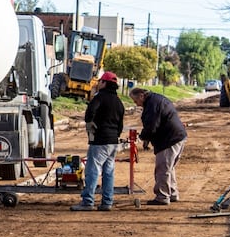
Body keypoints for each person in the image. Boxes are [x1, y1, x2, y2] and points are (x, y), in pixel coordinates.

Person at [71, 71, 125, 211]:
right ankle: (107, 202)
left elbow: (89, 114)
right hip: (113, 142)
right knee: (108, 172)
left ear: (104, 83)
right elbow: (120, 124)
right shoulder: (118, 101)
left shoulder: (99, 97)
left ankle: (88, 201)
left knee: (93, 170)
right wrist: (115, 135)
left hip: (100, 140)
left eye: (100, 81)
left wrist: (91, 131)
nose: (98, 83)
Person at [128, 86, 188, 206]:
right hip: (177, 136)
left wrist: (142, 137)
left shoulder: (152, 104)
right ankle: (173, 193)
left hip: (169, 139)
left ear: (141, 95)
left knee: (162, 168)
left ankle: (162, 196)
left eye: (136, 101)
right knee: (169, 168)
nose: (137, 104)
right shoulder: (156, 100)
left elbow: (152, 125)